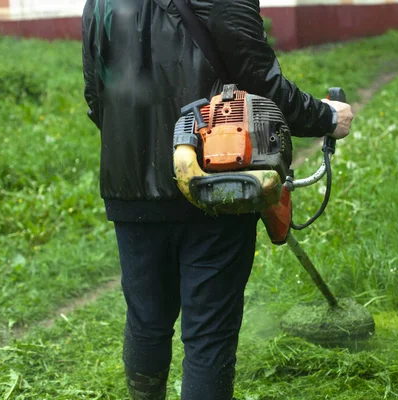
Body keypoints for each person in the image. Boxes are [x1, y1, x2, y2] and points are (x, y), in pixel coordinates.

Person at [81, 1, 353, 399]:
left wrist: (142, 149)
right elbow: (261, 82)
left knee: (146, 321)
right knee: (208, 335)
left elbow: (95, 95)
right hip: (216, 180)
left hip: (130, 188)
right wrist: (326, 117)